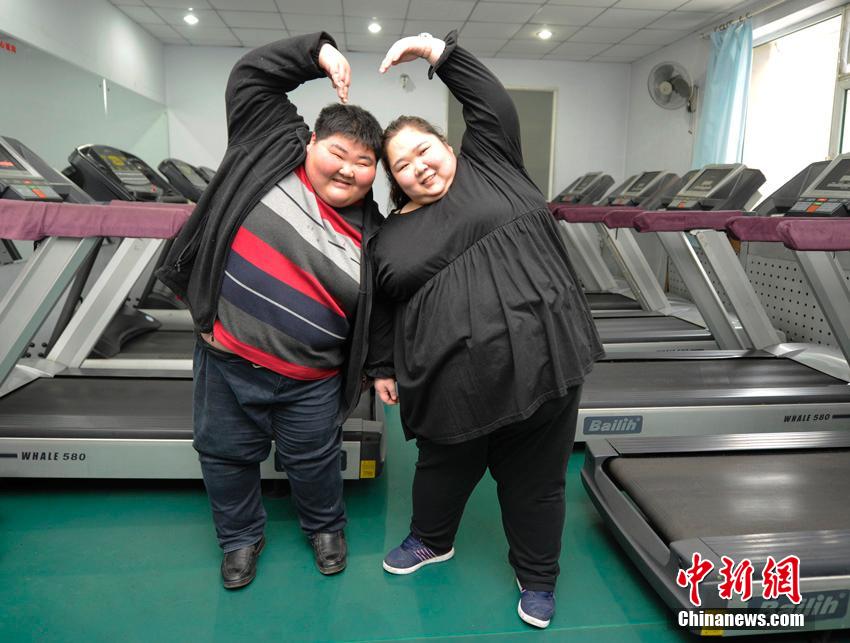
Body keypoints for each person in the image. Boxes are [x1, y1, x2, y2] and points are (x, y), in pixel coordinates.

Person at [365, 32, 604, 629]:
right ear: (394, 180)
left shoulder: (492, 165)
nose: (419, 166)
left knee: (535, 480)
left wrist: (437, 52)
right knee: (442, 467)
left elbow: (490, 101)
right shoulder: (390, 232)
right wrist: (382, 365)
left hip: (541, 361)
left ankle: (538, 577)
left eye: (425, 150)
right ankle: (431, 539)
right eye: (402, 165)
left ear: (448, 146)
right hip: (449, 382)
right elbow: (384, 305)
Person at [156, 33, 384, 589]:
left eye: (364, 163)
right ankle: (240, 538)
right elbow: (250, 77)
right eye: (338, 153)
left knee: (315, 460)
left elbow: (387, 311)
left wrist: (382, 366)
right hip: (227, 360)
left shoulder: (377, 233)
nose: (348, 170)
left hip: (312, 379)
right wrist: (317, 53)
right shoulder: (266, 149)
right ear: (312, 142)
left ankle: (325, 528)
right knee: (225, 456)